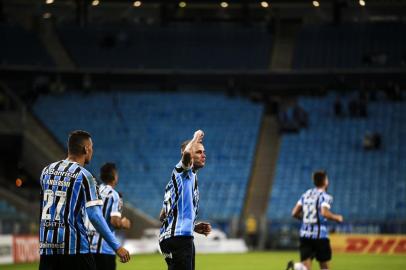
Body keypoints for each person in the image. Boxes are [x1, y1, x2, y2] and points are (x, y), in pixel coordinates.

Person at [38, 130, 130, 270]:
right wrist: (117, 246)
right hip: (74, 250)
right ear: (86, 149)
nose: (92, 151)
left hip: (48, 248)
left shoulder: (46, 171)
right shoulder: (85, 177)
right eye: (91, 148)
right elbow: (95, 216)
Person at [159, 130, 212, 270]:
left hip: (176, 237)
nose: (203, 155)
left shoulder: (183, 180)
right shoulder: (182, 172)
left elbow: (163, 215)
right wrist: (196, 137)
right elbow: (187, 155)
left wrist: (192, 226)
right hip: (179, 239)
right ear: (185, 154)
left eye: (203, 152)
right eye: (198, 152)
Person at [286, 170, 343, 270]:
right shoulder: (326, 197)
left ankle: (296, 267)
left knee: (306, 267)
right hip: (320, 237)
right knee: (324, 266)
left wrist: (305, 220)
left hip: (305, 235)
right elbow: (324, 212)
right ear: (325, 181)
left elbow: (294, 213)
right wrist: (337, 217)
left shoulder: (306, 194)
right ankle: (297, 267)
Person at [86, 162, 131, 270]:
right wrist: (124, 223)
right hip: (104, 249)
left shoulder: (93, 191)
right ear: (115, 176)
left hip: (87, 248)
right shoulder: (114, 195)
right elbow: (114, 222)